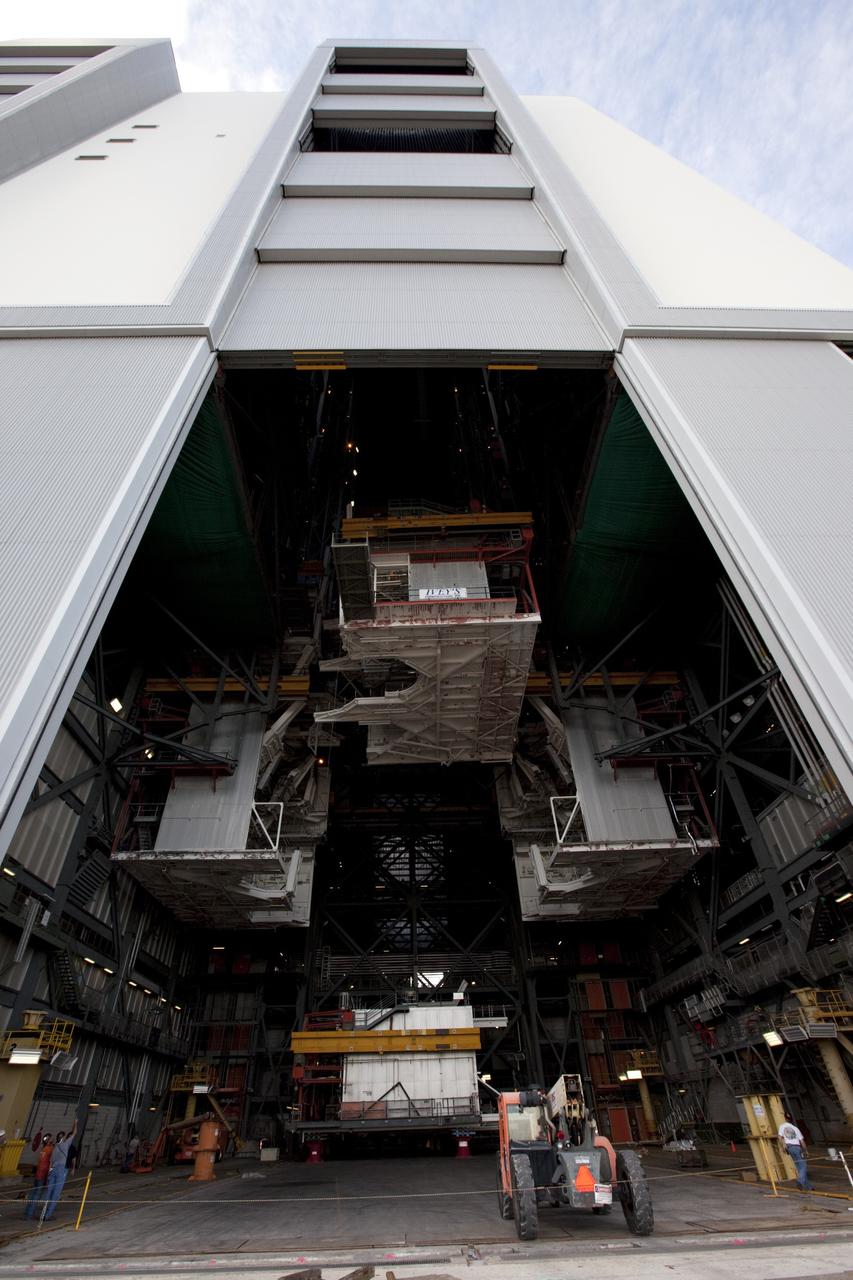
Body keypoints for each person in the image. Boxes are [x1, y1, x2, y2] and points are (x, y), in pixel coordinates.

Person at [42, 1118, 78, 1221]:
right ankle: (47, 1215)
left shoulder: (55, 1148)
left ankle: (43, 1213)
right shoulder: (66, 1145)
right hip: (61, 1170)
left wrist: (49, 1174)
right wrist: (75, 1122)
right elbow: (74, 1133)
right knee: (56, 1194)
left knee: (48, 1192)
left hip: (53, 1170)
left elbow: (51, 1163)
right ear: (64, 1138)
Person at [778, 1112, 813, 1191]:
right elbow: (802, 1141)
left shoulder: (782, 1126)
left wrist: (784, 1147)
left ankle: (808, 1186)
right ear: (791, 1119)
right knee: (803, 1166)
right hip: (797, 1148)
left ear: (785, 1118)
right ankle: (799, 1181)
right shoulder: (795, 1128)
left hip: (789, 1148)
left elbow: (780, 1138)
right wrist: (806, 1151)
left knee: (799, 1167)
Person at [24, 1133, 53, 1219]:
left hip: (38, 1174)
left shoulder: (43, 1149)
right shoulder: (49, 1149)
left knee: (33, 1194)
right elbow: (49, 1163)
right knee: (36, 1194)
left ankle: (28, 1213)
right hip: (42, 1175)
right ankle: (30, 1214)